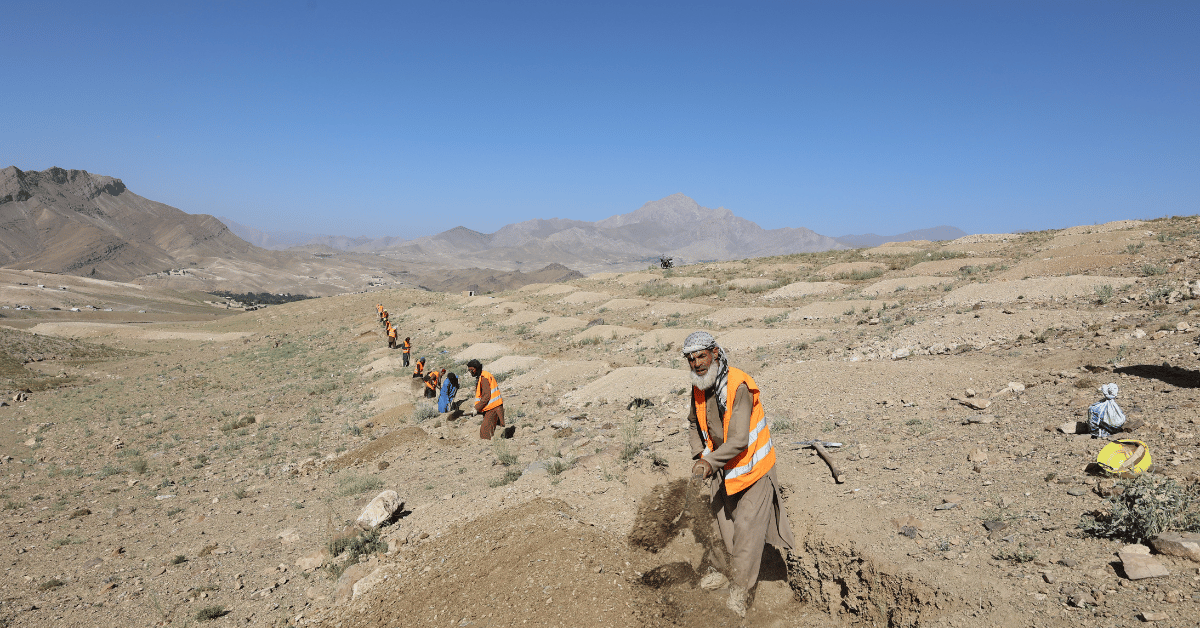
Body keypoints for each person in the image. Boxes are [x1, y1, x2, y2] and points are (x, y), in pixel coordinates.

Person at [682, 331, 795, 618]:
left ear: (715, 353)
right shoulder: (699, 385)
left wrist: (708, 464)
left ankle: (739, 594)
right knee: (723, 527)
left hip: (753, 469)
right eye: (691, 359)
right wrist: (700, 455)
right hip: (724, 468)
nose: (696, 364)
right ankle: (722, 571)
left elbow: (739, 440)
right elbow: (694, 423)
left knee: (746, 530)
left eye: (701, 357)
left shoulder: (738, 386)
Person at [466, 359, 504, 439]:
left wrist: (476, 408)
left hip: (493, 408)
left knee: (485, 432)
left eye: (472, 370)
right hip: (490, 407)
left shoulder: (484, 378)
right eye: (469, 370)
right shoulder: (481, 377)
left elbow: (486, 396)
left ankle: (489, 448)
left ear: (477, 368)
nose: (471, 372)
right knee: (487, 430)